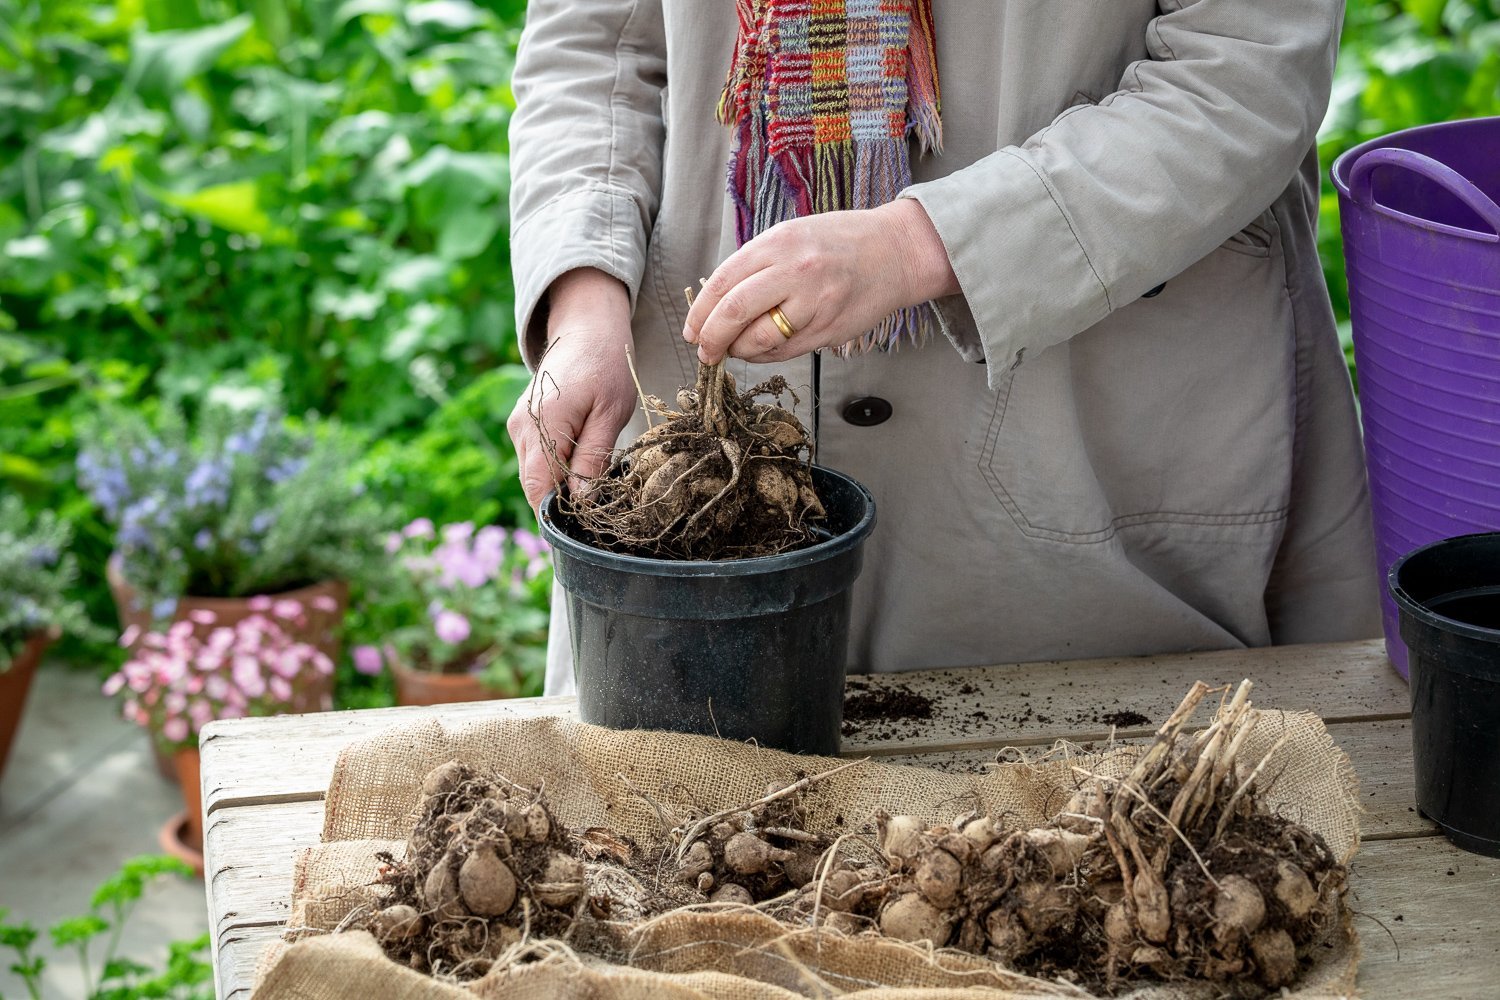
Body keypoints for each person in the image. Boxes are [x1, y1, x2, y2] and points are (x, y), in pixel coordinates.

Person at [506, 0, 1381, 697]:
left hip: (1093, 469)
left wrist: (918, 248)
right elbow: (596, 46)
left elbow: (1246, 66)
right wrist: (583, 299)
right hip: (696, 575)